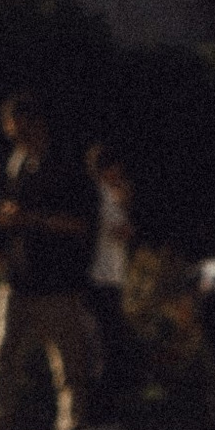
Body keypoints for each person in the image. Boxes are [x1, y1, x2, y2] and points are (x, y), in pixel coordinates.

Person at [0, 93, 96, 430]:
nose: (15, 132)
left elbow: (82, 224)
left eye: (21, 124)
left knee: (67, 369)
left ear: (38, 123)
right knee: (1, 360)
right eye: (10, 125)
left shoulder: (68, 168)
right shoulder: (15, 164)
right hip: (18, 278)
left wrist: (30, 219)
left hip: (58, 283)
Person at [84, 145, 134, 411]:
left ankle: (106, 409)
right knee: (102, 345)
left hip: (112, 277)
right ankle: (98, 412)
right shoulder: (99, 196)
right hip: (99, 278)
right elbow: (122, 231)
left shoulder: (112, 197)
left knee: (110, 345)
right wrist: (122, 202)